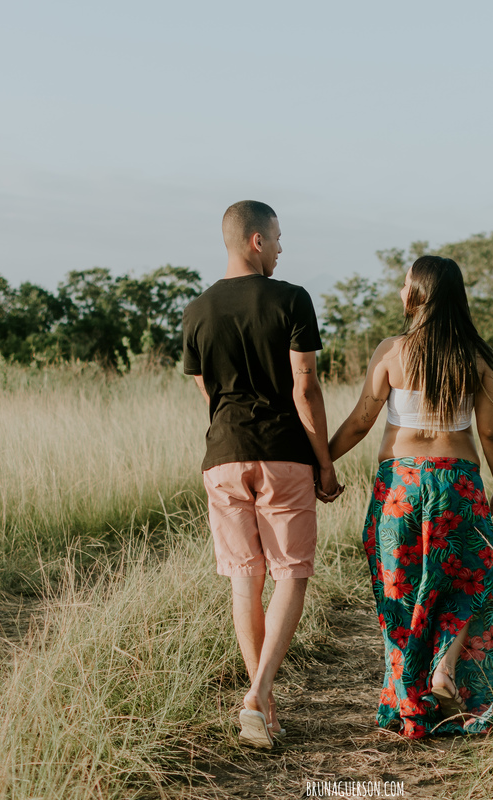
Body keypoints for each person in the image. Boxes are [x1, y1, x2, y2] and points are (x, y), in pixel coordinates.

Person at [328, 255, 493, 739]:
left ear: (416, 295)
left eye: (405, 284)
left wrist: (322, 463)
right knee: (469, 578)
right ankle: (445, 668)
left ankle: (410, 703)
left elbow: (360, 421)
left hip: (401, 487)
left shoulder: (393, 352)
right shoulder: (477, 357)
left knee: (401, 587)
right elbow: (489, 433)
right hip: (458, 483)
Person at [182, 200, 343, 750]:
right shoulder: (291, 298)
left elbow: (205, 388)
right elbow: (306, 387)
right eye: (277, 238)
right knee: (291, 574)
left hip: (222, 456)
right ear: (256, 240)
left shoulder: (196, 310)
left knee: (243, 580)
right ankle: (260, 691)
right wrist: (325, 461)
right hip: (283, 455)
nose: (280, 248)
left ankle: (263, 707)